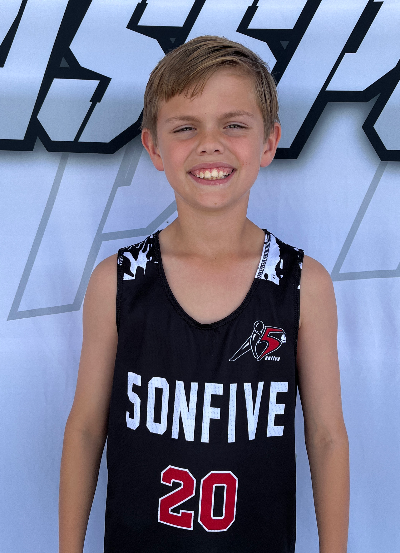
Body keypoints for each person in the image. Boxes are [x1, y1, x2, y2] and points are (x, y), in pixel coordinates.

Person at [59, 36, 349, 553]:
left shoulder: (303, 284)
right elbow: (85, 428)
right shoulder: (118, 281)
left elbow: (326, 438)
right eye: (185, 127)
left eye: (233, 125)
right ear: (154, 147)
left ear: (268, 142)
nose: (210, 144)